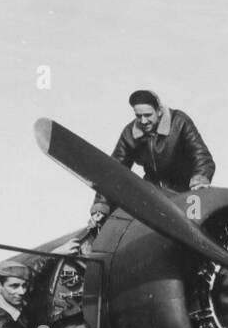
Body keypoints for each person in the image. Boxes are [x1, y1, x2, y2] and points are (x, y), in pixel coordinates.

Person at [87, 89, 215, 231]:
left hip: (183, 194)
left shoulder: (180, 122)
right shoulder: (130, 133)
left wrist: (200, 179)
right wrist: (101, 206)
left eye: (148, 115)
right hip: (153, 196)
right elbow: (112, 171)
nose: (143, 121)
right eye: (138, 116)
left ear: (159, 111)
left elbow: (202, 156)